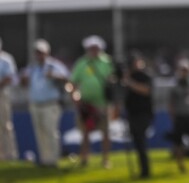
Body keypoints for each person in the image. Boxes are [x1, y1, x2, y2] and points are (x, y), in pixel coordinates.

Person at [20, 39, 69, 167]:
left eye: (41, 52)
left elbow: (66, 78)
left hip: (50, 104)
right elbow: (23, 83)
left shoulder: (54, 65)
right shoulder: (32, 67)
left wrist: (53, 75)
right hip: (36, 105)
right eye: (37, 52)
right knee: (40, 133)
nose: (39, 55)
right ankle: (44, 159)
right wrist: (24, 79)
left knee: (51, 132)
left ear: (47, 52)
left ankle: (53, 159)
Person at [70, 35, 114, 168]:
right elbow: (73, 83)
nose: (93, 51)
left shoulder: (107, 62)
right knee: (85, 132)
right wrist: (75, 96)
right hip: (85, 104)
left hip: (103, 103)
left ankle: (105, 159)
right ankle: (84, 158)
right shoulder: (81, 63)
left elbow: (113, 81)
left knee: (105, 132)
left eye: (96, 48)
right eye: (91, 48)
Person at [122, 52, 153, 179]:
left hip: (143, 113)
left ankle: (145, 171)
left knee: (140, 141)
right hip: (132, 113)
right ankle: (143, 170)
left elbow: (146, 90)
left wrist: (130, 82)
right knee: (137, 142)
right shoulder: (128, 77)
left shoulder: (145, 76)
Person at [0, 37, 18, 161]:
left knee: (5, 124)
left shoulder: (6, 59)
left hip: (2, 94)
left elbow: (10, 77)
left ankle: (9, 154)